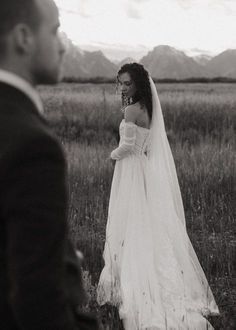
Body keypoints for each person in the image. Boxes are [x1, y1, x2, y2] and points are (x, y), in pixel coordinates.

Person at [97, 63, 219, 329]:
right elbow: (145, 145)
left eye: (128, 83)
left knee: (130, 221)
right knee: (145, 222)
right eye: (121, 83)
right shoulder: (147, 109)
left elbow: (127, 146)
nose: (124, 87)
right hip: (142, 169)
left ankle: (135, 280)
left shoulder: (131, 110)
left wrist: (111, 155)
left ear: (139, 83)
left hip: (130, 169)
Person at [0, 0, 98, 329]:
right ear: (23, 38)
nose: (62, 46)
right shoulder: (33, 145)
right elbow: (38, 299)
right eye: (55, 31)